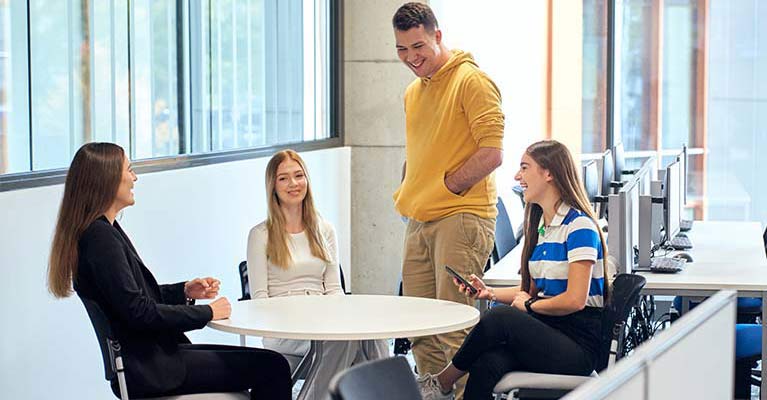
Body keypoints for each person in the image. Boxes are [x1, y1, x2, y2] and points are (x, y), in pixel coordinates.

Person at [47, 142, 292, 399]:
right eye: (129, 170)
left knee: (270, 361)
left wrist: (184, 291)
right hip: (150, 369)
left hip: (152, 359)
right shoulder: (100, 238)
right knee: (273, 367)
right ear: (107, 179)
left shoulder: (105, 231)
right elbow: (139, 312)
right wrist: (206, 312)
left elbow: (133, 298)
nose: (135, 178)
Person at [417, 140, 611, 400]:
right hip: (551, 331)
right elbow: (529, 291)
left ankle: (441, 382)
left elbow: (574, 301)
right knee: (487, 363)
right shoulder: (543, 226)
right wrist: (489, 293)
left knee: (500, 318)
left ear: (549, 173)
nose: (517, 176)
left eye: (524, 167)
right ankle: (443, 386)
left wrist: (530, 306)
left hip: (579, 346)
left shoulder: (579, 227)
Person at [391, 2, 505, 396]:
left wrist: (446, 188)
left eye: (418, 46)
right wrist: (413, 187)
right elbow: (422, 149)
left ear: (438, 36)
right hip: (419, 221)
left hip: (460, 217)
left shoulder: (471, 81)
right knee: (419, 330)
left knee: (455, 330)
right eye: (402, 50)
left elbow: (493, 152)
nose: (411, 57)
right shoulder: (412, 92)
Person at [247, 149, 389, 400]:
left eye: (299, 175)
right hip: (284, 329)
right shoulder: (260, 235)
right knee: (344, 339)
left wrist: (341, 318)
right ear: (273, 186)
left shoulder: (325, 229)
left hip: (323, 320)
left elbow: (335, 289)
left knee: (369, 331)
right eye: (283, 178)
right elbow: (260, 300)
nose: (293, 183)